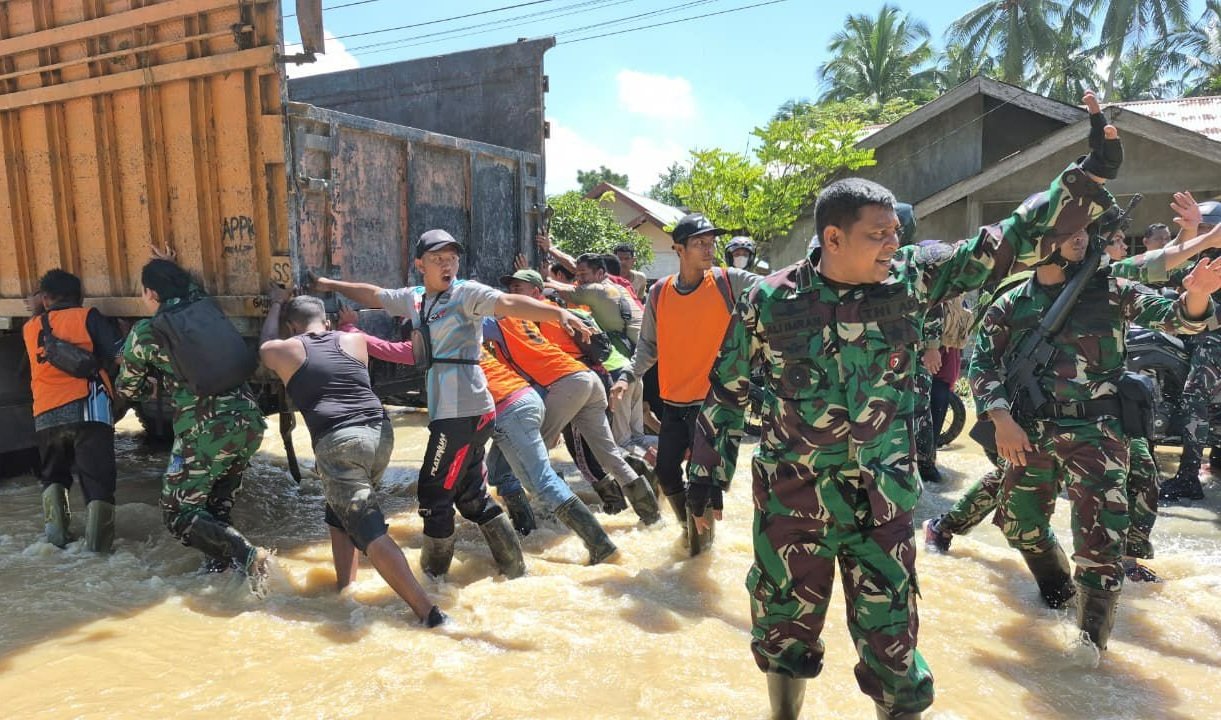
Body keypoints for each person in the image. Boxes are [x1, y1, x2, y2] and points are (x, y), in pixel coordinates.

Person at [685, 91, 1122, 720]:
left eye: (896, 232)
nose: (894, 243)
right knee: (783, 639)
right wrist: (706, 478)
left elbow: (1013, 236)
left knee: (895, 651)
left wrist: (1091, 174)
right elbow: (725, 391)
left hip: (884, 504)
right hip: (793, 502)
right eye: (878, 234)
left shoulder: (918, 277)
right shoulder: (769, 302)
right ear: (833, 236)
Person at [972, 209, 1221, 655]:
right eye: (1069, 232)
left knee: (1101, 545)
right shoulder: (1011, 303)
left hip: (1097, 432)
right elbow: (983, 363)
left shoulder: (1110, 288)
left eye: (1085, 231)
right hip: (1030, 430)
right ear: (1038, 243)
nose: (1081, 239)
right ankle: (1058, 594)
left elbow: (1176, 316)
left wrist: (1197, 298)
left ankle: (1090, 655)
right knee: (1019, 524)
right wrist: (1000, 417)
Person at [310, 228, 591, 579]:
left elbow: (508, 303)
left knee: (432, 494)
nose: (447, 265)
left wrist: (556, 314)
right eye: (437, 259)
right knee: (470, 495)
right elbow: (376, 295)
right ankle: (515, 571)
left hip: (464, 412)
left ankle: (433, 579)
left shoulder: (466, 294)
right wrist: (329, 284)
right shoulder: (415, 298)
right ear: (419, 265)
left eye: (452, 258)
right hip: (460, 413)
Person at [336, 302, 618, 565]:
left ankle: (600, 545)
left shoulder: (436, 334)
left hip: (508, 408)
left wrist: (350, 328)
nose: (408, 326)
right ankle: (526, 534)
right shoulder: (462, 330)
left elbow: (394, 350)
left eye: (410, 320)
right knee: (499, 473)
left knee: (539, 481)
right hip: (520, 399)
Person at [259, 293, 445, 626]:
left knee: (368, 529)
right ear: (327, 322)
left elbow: (266, 346)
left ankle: (428, 613)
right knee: (339, 512)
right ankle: (346, 590)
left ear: (292, 327)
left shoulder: (285, 349)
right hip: (380, 434)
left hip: (340, 442)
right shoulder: (354, 340)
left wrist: (274, 305)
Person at [610, 213, 759, 553]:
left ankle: (699, 552)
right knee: (665, 471)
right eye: (699, 244)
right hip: (675, 403)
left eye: (711, 243)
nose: (709, 249)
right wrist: (625, 377)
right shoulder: (660, 292)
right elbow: (647, 346)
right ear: (679, 249)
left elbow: (774, 289)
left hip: (714, 406)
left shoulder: (728, 281)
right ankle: (687, 532)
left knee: (702, 485)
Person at [116, 255, 269, 585]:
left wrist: (149, 383)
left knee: (178, 513)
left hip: (205, 429)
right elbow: (190, 287)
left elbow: (127, 387)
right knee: (215, 507)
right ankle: (223, 576)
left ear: (149, 294)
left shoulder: (146, 332)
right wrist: (170, 265)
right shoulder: (203, 305)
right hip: (248, 421)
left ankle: (248, 556)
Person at [488, 273, 661, 526]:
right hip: (593, 378)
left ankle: (549, 520)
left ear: (537, 292)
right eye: (510, 289)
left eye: (518, 288)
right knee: (609, 454)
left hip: (573, 383)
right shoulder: (550, 311)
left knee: (537, 457)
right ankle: (653, 518)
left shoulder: (521, 317)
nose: (512, 294)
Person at [23, 270, 122, 551]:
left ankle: (56, 542)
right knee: (98, 480)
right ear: (81, 296)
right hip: (88, 411)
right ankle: (98, 551)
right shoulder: (87, 316)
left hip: (46, 414)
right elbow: (120, 354)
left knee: (53, 476)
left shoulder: (30, 328)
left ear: (45, 298)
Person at [1160, 199, 1221, 500]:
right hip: (1190, 333)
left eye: (1209, 228)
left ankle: (1187, 478)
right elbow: (1162, 270)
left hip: (1214, 339)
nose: (1205, 233)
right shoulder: (1197, 256)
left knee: (1193, 397)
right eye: (1203, 228)